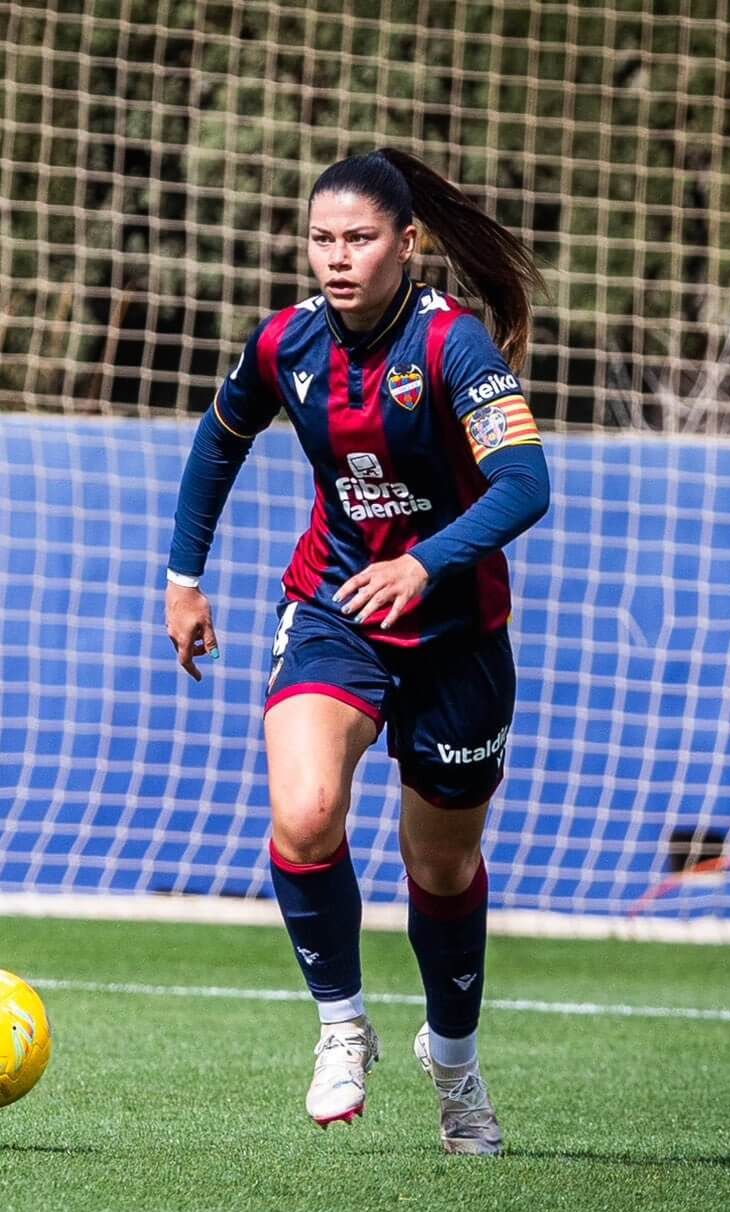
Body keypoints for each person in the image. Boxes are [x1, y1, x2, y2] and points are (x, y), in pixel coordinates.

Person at [163, 148, 549, 1156]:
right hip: (333, 609)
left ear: (405, 244)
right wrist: (181, 575)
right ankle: (341, 1025)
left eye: (360, 239)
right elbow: (217, 443)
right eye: (321, 239)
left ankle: (454, 1064)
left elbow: (523, 485)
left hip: (455, 632)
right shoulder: (284, 342)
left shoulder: (453, 349)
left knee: (442, 859)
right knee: (303, 812)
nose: (337, 259)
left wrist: (424, 564)